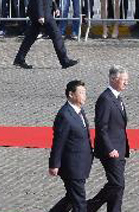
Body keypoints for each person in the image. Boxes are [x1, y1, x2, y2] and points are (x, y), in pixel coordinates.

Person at [87, 66, 130, 212]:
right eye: (123, 80)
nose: (126, 83)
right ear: (113, 79)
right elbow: (101, 127)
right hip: (111, 150)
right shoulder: (105, 99)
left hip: (120, 149)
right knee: (117, 184)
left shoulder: (117, 97)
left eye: (126, 80)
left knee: (118, 186)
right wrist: (110, 148)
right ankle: (89, 207)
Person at [49, 80, 94, 212]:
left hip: (81, 164)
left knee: (71, 197)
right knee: (79, 203)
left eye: (85, 93)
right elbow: (58, 142)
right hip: (72, 167)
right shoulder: (65, 115)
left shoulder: (79, 111)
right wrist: (54, 164)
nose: (84, 96)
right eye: (81, 93)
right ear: (71, 94)